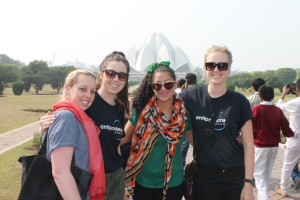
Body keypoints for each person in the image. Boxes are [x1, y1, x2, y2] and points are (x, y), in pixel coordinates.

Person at [40, 52, 131, 200]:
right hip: (93, 178)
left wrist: (122, 185)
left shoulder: (120, 108)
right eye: (110, 73)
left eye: (122, 75)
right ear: (101, 74)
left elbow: (116, 145)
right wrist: (44, 126)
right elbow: (63, 123)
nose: (116, 79)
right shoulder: (86, 102)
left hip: (116, 176)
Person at [180, 45, 255, 200]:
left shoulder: (239, 101)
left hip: (234, 176)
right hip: (204, 177)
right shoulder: (190, 96)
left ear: (228, 69)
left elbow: (248, 144)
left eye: (222, 65)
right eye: (211, 65)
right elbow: (166, 104)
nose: (216, 69)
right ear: (205, 68)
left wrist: (248, 183)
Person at [121, 61, 190, 200]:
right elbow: (122, 139)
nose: (163, 88)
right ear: (152, 88)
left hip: (173, 183)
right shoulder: (141, 112)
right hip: (143, 184)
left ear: (176, 85)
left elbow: (198, 142)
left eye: (168, 84)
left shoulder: (185, 114)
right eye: (157, 85)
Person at [43, 69, 106, 200]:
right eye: (82, 89)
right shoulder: (66, 117)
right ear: (68, 89)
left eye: (92, 91)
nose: (88, 95)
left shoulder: (81, 119)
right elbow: (60, 173)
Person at [252, 85, 294, 200]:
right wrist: (293, 134)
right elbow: (286, 130)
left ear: (260, 97)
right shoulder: (278, 110)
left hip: (260, 146)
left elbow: (250, 129)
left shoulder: (255, 110)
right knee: (266, 174)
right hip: (274, 147)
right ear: (272, 96)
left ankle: (264, 197)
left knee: (259, 176)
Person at [275, 79, 300, 197]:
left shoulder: (294, 103)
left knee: (287, 166)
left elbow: (278, 107)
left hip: (296, 139)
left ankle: (284, 190)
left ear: (297, 90)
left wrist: (284, 93)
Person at [180, 72, 197, 167]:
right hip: (199, 125)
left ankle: (182, 166)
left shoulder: (183, 94)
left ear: (186, 82)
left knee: (183, 149)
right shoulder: (201, 91)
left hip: (186, 125)